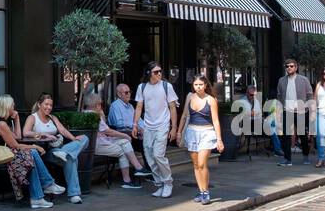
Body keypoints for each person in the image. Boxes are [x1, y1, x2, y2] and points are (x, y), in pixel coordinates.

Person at [0, 95, 66, 209]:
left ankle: (40, 194)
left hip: (10, 153)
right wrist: (35, 146)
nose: (14, 107)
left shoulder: (4, 121)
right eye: (12, 105)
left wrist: (16, 119)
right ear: (6, 107)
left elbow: (18, 136)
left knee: (31, 156)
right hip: (2, 156)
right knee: (32, 154)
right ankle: (42, 191)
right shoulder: (1, 124)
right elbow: (15, 145)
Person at [23, 94, 88, 203]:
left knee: (84, 138)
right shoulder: (32, 117)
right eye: (46, 104)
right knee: (71, 159)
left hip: (59, 149)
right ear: (39, 104)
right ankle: (74, 194)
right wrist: (44, 135)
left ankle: (64, 152)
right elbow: (25, 132)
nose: (49, 107)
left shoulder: (52, 117)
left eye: (51, 105)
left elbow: (62, 130)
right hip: (46, 151)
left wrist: (74, 138)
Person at [133, 62, 179, 198]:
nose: (159, 74)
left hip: (163, 125)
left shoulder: (166, 86)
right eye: (155, 72)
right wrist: (135, 124)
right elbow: (139, 107)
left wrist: (174, 127)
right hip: (147, 126)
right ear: (148, 73)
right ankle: (159, 184)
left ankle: (168, 183)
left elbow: (172, 108)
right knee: (149, 156)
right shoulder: (142, 87)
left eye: (160, 71)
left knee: (159, 154)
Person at [174, 75, 224, 202]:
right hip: (192, 132)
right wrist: (179, 133)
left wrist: (219, 139)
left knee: (202, 164)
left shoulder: (211, 100)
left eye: (201, 85)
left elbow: (216, 121)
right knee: (196, 165)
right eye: (196, 85)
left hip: (207, 132)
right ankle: (201, 191)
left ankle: (206, 192)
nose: (198, 87)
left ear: (206, 85)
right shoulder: (190, 97)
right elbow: (185, 115)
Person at [86, 91, 149, 188]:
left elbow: (105, 129)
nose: (101, 106)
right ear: (96, 105)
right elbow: (108, 131)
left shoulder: (88, 113)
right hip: (98, 145)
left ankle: (137, 169)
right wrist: (125, 136)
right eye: (100, 104)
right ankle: (128, 179)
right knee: (123, 150)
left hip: (102, 142)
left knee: (125, 143)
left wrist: (101, 115)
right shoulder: (93, 116)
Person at [275, 58, 313, 166]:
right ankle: (288, 160)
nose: (289, 68)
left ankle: (306, 157)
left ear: (296, 67)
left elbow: (310, 95)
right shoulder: (281, 80)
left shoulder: (303, 80)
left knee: (302, 136)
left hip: (300, 111)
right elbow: (278, 96)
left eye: (291, 66)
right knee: (286, 136)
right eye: (287, 66)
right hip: (287, 111)